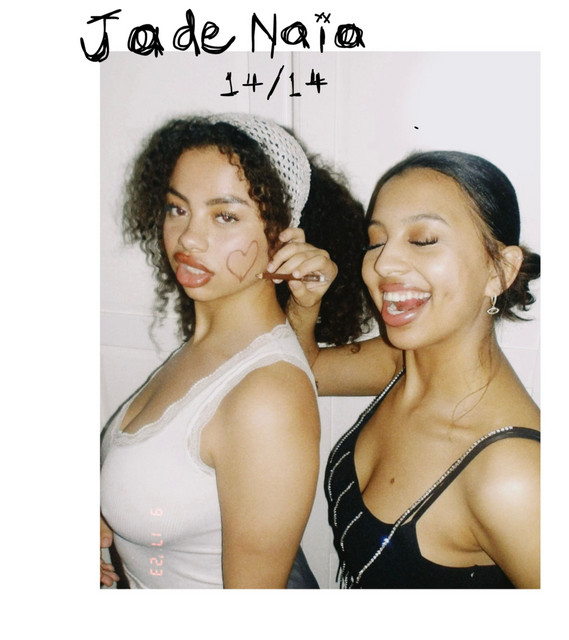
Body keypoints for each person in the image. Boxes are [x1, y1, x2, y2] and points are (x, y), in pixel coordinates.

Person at [100, 113, 371, 588]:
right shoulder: (208, 348)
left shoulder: (267, 397)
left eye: (224, 216)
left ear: (284, 235)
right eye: (177, 208)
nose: (189, 237)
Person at [273, 150, 541, 588]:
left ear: (500, 269)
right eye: (376, 241)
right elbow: (307, 372)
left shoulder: (512, 474)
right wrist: (306, 304)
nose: (383, 264)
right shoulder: (404, 360)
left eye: (423, 240)